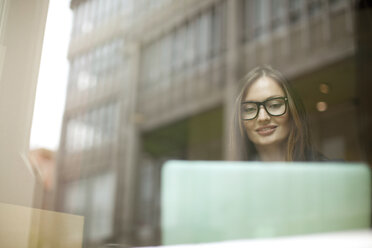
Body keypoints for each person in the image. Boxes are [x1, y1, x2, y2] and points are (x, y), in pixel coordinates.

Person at [230, 65, 326, 161]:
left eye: (274, 105)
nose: (263, 118)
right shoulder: (232, 175)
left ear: (292, 111)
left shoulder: (327, 172)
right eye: (250, 109)